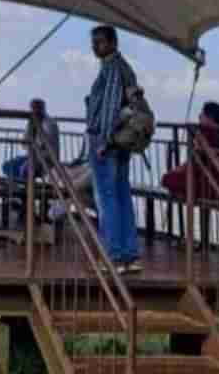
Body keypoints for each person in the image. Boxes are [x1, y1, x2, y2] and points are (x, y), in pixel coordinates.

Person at [86, 25, 142, 275]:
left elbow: (109, 107)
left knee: (106, 199)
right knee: (121, 196)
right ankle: (129, 255)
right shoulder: (125, 68)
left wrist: (104, 142)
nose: (95, 46)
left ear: (112, 43)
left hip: (106, 141)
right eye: (93, 42)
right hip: (122, 142)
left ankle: (114, 256)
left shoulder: (111, 69)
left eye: (99, 42)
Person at [161, 101, 219, 202]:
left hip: (215, 188)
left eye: (202, 114)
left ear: (209, 117)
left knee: (168, 179)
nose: (200, 117)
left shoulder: (209, 133)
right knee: (175, 179)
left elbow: (197, 163)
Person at [2, 99, 61, 181]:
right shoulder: (31, 122)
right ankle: (18, 185)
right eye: (33, 108)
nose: (34, 110)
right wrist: (28, 141)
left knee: (25, 169)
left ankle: (26, 189)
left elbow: (43, 144)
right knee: (7, 165)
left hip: (47, 159)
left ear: (43, 109)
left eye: (37, 108)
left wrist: (31, 142)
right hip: (33, 156)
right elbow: (24, 142)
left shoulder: (50, 123)